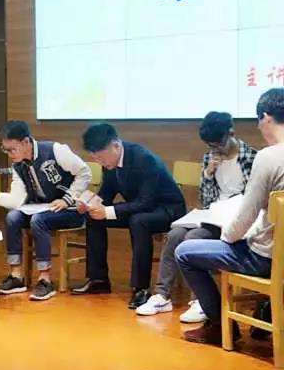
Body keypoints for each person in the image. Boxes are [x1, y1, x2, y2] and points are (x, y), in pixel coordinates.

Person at [176, 88, 284, 346]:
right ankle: (267, 311)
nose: (258, 127)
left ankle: (219, 325)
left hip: (264, 257)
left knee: (184, 252)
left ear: (266, 117)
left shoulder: (267, 157)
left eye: (258, 121)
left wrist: (227, 237)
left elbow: (244, 219)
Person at [136, 112, 257, 321]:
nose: (216, 149)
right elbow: (205, 199)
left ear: (231, 133)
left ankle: (200, 301)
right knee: (175, 234)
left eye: (219, 144)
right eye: (211, 145)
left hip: (237, 220)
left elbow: (254, 199)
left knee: (192, 239)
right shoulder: (210, 158)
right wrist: (209, 173)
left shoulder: (252, 157)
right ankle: (162, 295)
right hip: (213, 214)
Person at [71, 123, 186, 309]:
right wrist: (90, 203)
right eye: (95, 158)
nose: (100, 162)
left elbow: (145, 202)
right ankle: (98, 279)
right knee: (93, 217)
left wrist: (107, 212)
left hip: (167, 209)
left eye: (101, 157)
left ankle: (141, 288)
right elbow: (106, 194)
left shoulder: (144, 159)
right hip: (139, 208)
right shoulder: (110, 162)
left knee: (138, 221)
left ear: (116, 146)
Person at [0, 120, 91, 301]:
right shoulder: (18, 166)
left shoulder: (55, 150)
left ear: (26, 142)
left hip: (70, 209)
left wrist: (67, 199)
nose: (9, 154)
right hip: (42, 209)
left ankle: (45, 279)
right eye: (5, 150)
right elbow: (16, 200)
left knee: (37, 220)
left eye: (12, 149)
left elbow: (84, 173)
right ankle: (16, 276)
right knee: (13, 217)